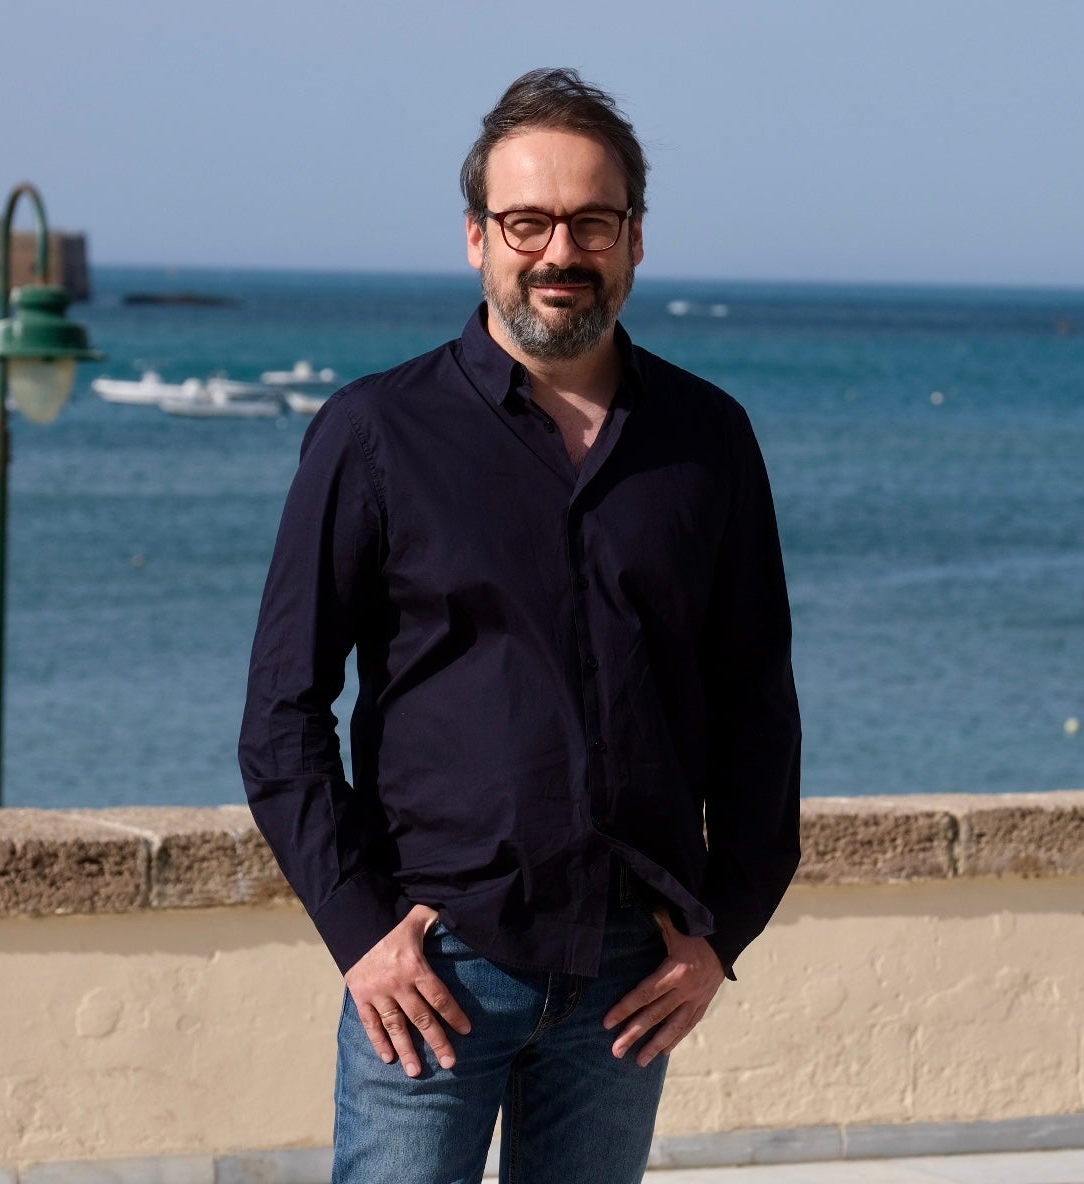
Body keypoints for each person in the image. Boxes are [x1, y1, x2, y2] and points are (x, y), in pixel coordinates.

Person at [239, 66, 801, 1184]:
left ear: (636, 239)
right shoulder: (374, 433)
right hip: (436, 968)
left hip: (632, 974)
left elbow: (757, 706)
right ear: (477, 238)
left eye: (591, 221)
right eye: (527, 221)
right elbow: (282, 715)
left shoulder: (709, 438)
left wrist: (719, 932)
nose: (559, 252)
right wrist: (362, 931)